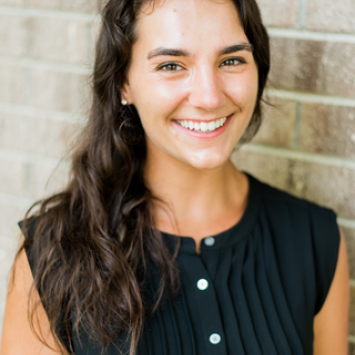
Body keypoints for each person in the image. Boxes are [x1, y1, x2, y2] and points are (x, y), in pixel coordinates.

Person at [1, 0, 349, 354]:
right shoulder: (51, 254)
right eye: (171, 65)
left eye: (231, 60)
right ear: (123, 83)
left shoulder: (314, 237)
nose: (209, 97)